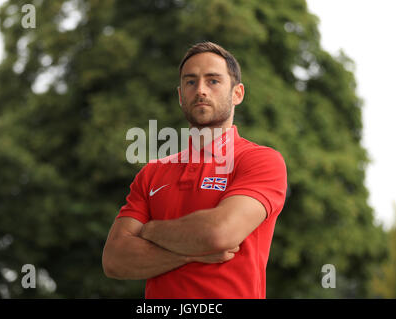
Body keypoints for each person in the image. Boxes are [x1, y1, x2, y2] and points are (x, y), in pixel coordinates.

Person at [102, 41, 287, 299]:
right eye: (190, 82)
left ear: (238, 93)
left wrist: (150, 231)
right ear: (180, 96)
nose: (200, 90)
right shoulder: (152, 173)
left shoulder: (260, 161)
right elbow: (115, 259)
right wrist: (190, 251)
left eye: (213, 81)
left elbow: (219, 233)